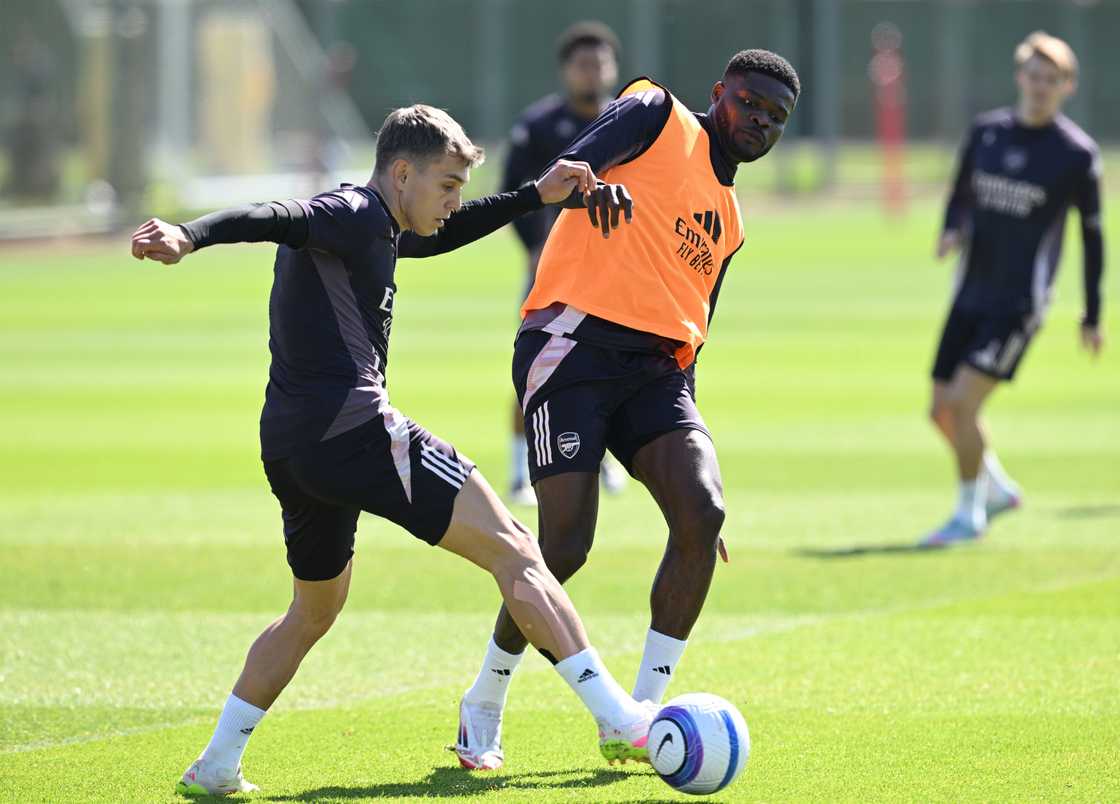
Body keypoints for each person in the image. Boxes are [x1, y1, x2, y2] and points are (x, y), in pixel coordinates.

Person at [129, 104, 649, 795]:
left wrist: (534, 194)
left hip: (291, 447)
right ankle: (618, 717)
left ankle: (218, 764)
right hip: (355, 430)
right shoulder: (348, 211)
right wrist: (189, 235)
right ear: (401, 173)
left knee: (313, 610)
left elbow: (439, 234)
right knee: (518, 551)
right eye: (446, 185)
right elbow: (274, 216)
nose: (453, 200)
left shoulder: (379, 223)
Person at [453, 50, 800, 771]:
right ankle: (485, 697)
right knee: (566, 547)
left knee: (702, 512)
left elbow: (692, 332)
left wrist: (692, 467)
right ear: (719, 94)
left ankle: (639, 717)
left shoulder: (730, 221)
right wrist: (587, 189)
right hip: (572, 341)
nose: (759, 121)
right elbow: (570, 168)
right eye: (749, 103)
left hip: (656, 373)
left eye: (774, 117)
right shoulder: (657, 112)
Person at [921, 31, 1105, 547]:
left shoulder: (1076, 155)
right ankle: (997, 488)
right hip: (971, 291)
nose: (1041, 87)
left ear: (1067, 86)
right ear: (1019, 75)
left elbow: (1093, 238)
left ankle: (968, 515)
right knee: (940, 408)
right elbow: (960, 194)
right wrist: (951, 228)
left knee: (962, 405)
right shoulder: (986, 133)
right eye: (1034, 76)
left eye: (1053, 80)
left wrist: (1092, 315)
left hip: (1019, 303)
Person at [501, 21, 628, 505]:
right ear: (565, 71)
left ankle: (606, 458)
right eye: (583, 63)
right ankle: (518, 470)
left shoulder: (627, 121)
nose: (592, 72)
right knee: (534, 366)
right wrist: (536, 245)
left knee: (617, 359)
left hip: (615, 267)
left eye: (600, 62)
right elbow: (514, 194)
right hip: (555, 269)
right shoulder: (538, 126)